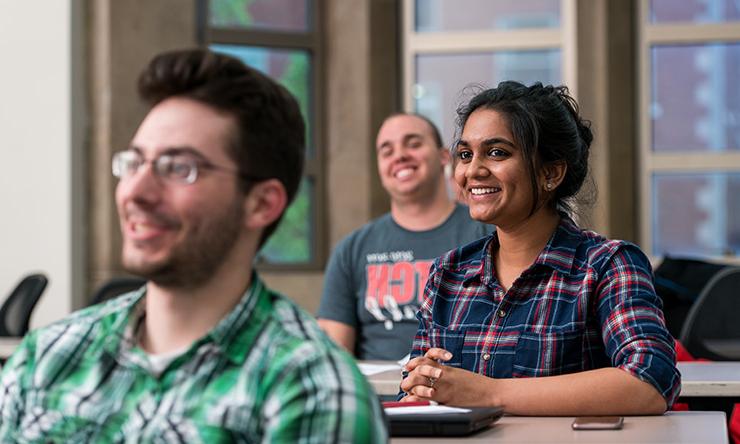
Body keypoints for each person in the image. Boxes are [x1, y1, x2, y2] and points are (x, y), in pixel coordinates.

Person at [0, 49, 386, 442]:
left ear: (262, 203)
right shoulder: (48, 358)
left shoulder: (311, 392)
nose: (135, 191)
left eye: (178, 168)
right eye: (134, 162)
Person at [399, 81, 681, 416]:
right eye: (465, 154)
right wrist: (421, 389)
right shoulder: (448, 273)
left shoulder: (608, 265)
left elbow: (650, 382)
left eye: (497, 152)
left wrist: (490, 393)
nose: (473, 170)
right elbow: (417, 389)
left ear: (551, 172)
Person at [317, 113, 493, 361]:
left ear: (444, 157)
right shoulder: (352, 249)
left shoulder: (488, 233)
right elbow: (334, 356)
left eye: (413, 144)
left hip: (464, 395)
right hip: (379, 397)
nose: (399, 156)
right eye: (386, 151)